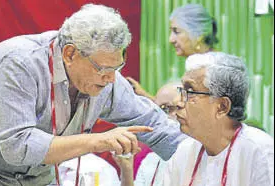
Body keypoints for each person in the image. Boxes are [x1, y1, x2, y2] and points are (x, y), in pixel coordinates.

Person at [0, 4, 186, 185]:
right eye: (103, 69)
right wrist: (99, 141)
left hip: (34, 180)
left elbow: (154, 124)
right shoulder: (17, 63)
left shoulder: (107, 79)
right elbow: (18, 146)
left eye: (117, 67)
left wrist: (203, 157)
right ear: (70, 54)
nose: (111, 79)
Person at [117, 52, 274, 186]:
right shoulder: (185, 151)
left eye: (189, 92)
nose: (179, 102)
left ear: (222, 107)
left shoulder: (258, 150)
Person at [126, 3, 218, 101]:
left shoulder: (212, 70)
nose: (171, 39)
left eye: (177, 32)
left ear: (200, 35)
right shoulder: (198, 66)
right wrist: (143, 95)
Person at [133, 81, 182, 186]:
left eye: (166, 108)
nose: (159, 116)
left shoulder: (201, 153)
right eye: (157, 110)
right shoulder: (150, 160)